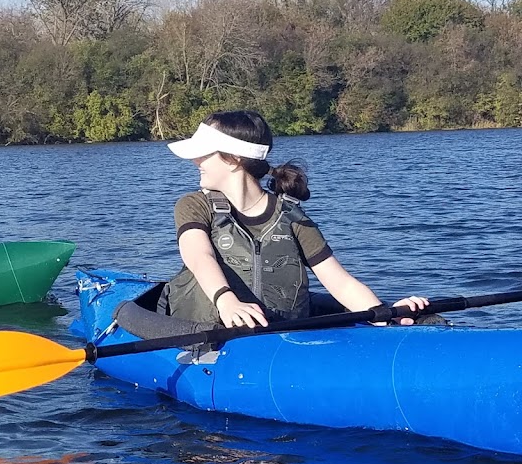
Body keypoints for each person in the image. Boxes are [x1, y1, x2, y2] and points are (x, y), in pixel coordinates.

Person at [163, 110, 434, 330]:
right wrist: (226, 301)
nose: (195, 160)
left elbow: (341, 283)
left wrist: (386, 317)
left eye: (204, 153)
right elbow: (199, 257)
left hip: (276, 333)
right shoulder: (194, 204)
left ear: (233, 159)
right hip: (211, 328)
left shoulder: (293, 217)